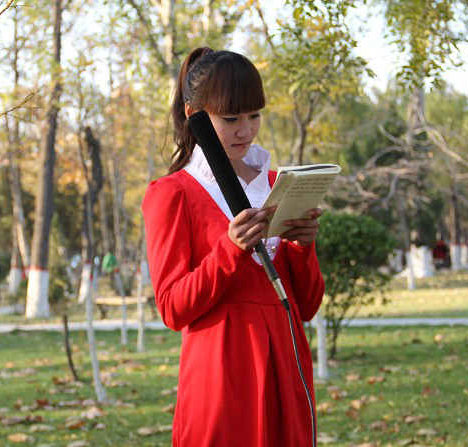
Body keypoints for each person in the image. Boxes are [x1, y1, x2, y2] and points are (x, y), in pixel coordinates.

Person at [142, 47, 325, 447]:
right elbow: (172, 308)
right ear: (194, 114)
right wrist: (231, 249)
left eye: (254, 115)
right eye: (231, 119)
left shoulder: (276, 184)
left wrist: (301, 247)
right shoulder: (173, 193)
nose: (246, 130)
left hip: (287, 367)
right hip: (222, 375)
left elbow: (307, 307)